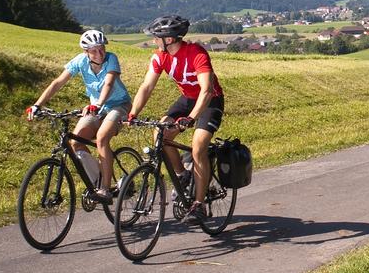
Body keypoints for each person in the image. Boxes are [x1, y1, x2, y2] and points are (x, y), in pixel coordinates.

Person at [128, 15, 224, 224]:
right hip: (187, 99)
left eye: (156, 37)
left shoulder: (196, 53)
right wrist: (133, 113)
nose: (154, 41)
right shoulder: (160, 57)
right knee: (160, 134)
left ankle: (199, 204)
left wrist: (191, 118)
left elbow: (207, 90)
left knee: (198, 147)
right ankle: (183, 175)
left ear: (169, 39)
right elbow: (147, 87)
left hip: (210, 101)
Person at [25, 29, 132, 204]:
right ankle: (98, 181)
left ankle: (105, 189)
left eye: (102, 48)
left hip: (118, 105)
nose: (100, 53)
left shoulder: (111, 59)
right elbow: (58, 82)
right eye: (94, 50)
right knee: (76, 143)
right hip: (95, 107)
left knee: (102, 138)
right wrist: (37, 105)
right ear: (86, 52)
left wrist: (98, 104)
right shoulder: (80, 61)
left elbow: (109, 83)